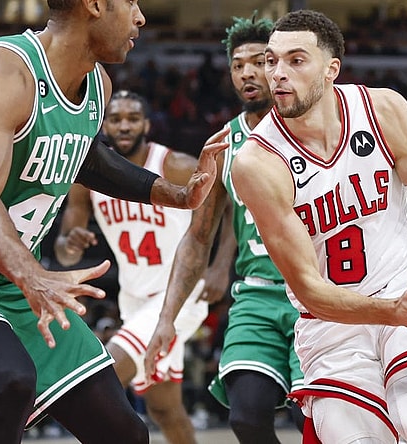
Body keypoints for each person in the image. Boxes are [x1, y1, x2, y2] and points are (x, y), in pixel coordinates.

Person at [0, 1, 227, 443]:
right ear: (94, 4)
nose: (140, 17)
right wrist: (34, 276)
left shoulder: (98, 84)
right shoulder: (3, 72)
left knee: (124, 432)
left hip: (7, 276)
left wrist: (174, 194)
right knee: (12, 381)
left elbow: (86, 157)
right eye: (131, 2)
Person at [230, 10, 407, 444]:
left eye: (295, 60)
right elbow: (310, 290)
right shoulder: (257, 163)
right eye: (272, 61)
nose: (277, 74)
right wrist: (392, 312)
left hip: (406, 293)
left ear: (332, 69)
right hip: (331, 325)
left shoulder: (383, 109)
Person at [145, 14, 305, 444]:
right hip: (255, 294)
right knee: (246, 418)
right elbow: (197, 238)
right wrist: (166, 319)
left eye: (260, 62)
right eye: (239, 65)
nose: (249, 72)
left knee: (317, 420)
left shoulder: (314, 130)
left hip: (315, 295)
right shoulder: (221, 145)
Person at [55, 90, 214, 444]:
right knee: (163, 408)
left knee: (104, 375)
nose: (124, 125)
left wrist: (218, 267)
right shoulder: (89, 175)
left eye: (132, 118)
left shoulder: (175, 165)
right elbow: (65, 252)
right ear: (104, 124)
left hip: (180, 295)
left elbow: (222, 209)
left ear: (146, 124)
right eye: (115, 118)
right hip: (134, 300)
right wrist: (72, 243)